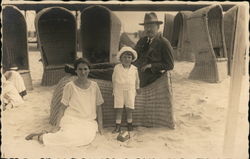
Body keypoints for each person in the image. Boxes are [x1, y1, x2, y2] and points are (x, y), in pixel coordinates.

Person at [26, 58, 104, 146]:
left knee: (86, 138)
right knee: (68, 137)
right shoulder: (69, 86)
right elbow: (62, 108)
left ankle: (45, 134)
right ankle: (40, 137)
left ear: (89, 70)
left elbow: (99, 106)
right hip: (72, 119)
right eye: (80, 69)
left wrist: (100, 127)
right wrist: (56, 126)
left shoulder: (94, 86)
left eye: (85, 69)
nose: (83, 72)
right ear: (76, 71)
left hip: (88, 121)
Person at [134, 12, 174, 87]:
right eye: (146, 27)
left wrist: (151, 65)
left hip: (151, 77)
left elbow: (170, 65)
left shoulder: (164, 43)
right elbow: (134, 55)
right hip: (136, 72)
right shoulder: (142, 40)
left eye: (152, 26)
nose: (148, 29)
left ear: (158, 27)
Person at [112, 46, 140, 133]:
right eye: (124, 57)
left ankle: (129, 124)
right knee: (119, 108)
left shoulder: (134, 69)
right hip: (119, 90)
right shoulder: (117, 68)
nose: (127, 59)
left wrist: (137, 88)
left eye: (129, 57)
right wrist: (114, 90)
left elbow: (137, 80)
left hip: (130, 91)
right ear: (120, 59)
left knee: (129, 108)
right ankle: (118, 126)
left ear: (132, 59)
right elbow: (113, 79)